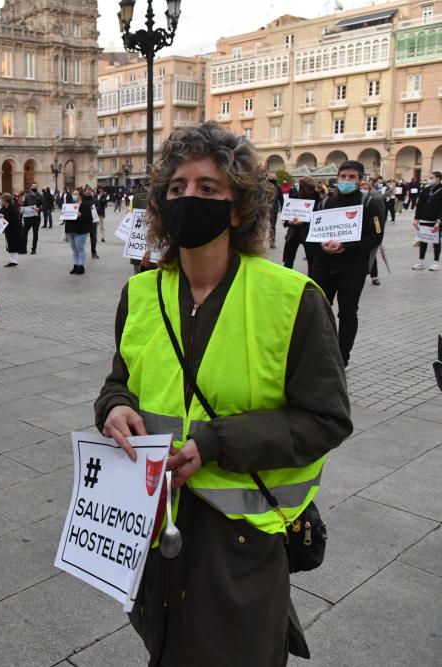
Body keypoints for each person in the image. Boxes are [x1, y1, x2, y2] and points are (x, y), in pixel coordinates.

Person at [95, 121, 351, 667]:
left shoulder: (292, 299)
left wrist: (216, 442)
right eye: (177, 188)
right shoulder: (141, 292)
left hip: (241, 541)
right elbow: (121, 379)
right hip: (155, 526)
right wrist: (114, 407)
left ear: (238, 207)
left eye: (208, 188)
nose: (190, 197)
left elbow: (326, 419)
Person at [306, 160, 385, 370]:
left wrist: (346, 246)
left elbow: (376, 236)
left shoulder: (370, 204)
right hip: (323, 266)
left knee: (347, 313)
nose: (346, 181)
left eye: (352, 178)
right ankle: (318, 352)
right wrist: (323, 247)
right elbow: (312, 236)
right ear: (337, 178)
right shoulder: (325, 204)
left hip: (353, 269)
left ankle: (343, 357)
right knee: (318, 311)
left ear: (360, 180)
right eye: (343, 177)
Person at [282, 176, 318, 270]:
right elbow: (287, 213)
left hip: (309, 233)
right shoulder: (294, 195)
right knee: (288, 259)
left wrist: (304, 222)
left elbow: (318, 216)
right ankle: (287, 276)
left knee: (311, 259)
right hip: (294, 232)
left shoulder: (317, 196)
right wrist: (288, 221)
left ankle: (311, 278)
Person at [411, 170, 442, 271]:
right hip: (424, 219)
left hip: (436, 220)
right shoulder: (426, 189)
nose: (430, 180)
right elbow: (420, 204)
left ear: (438, 178)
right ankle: (421, 262)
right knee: (423, 240)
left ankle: (436, 262)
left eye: (432, 178)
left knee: (436, 242)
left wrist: (439, 221)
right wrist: (416, 218)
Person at [67, 189, 92, 274]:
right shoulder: (70, 205)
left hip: (81, 230)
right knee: (74, 249)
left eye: (76, 194)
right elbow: (67, 219)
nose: (74, 195)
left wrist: (81, 215)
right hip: (71, 230)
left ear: (80, 195)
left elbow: (89, 218)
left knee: (80, 248)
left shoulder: (86, 205)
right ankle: (75, 265)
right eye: (73, 194)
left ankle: (81, 266)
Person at [0, 193, 24, 267]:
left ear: (6, 200)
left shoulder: (12, 208)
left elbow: (14, 219)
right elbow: (1, 214)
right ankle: (12, 260)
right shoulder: (4, 207)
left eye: (1, 199)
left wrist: (4, 216)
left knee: (13, 244)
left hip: (14, 229)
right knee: (10, 244)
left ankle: (14, 261)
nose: (0, 201)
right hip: (8, 229)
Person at [22, 183, 42, 254]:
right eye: (33, 186)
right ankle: (24, 249)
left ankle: (34, 249)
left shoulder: (40, 196)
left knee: (35, 233)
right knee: (24, 232)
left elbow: (43, 206)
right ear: (31, 187)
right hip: (27, 217)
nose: (34, 187)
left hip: (36, 218)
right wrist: (22, 209)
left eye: (36, 186)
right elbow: (24, 205)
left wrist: (39, 209)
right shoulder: (27, 196)